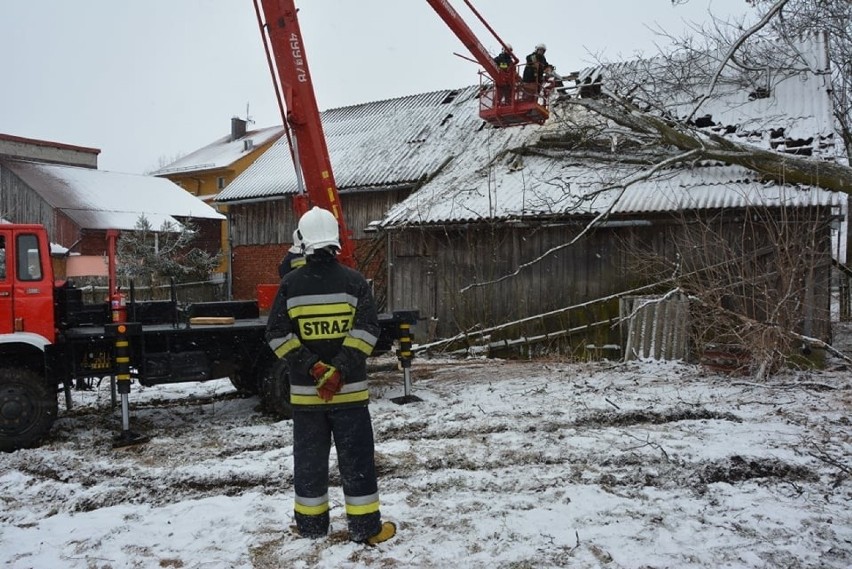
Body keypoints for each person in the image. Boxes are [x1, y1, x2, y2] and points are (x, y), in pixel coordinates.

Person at [265, 206, 396, 546]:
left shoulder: (290, 285)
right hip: (350, 395)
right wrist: (338, 370)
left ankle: (311, 527)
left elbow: (277, 335)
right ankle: (366, 528)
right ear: (336, 242)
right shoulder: (355, 283)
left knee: (309, 462)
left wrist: (314, 368)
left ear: (303, 242)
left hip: (307, 399)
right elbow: (367, 331)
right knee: (357, 461)